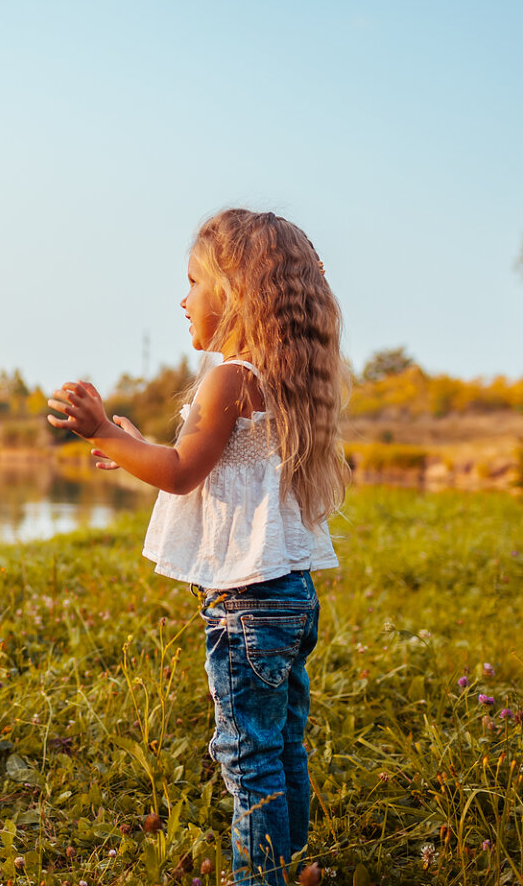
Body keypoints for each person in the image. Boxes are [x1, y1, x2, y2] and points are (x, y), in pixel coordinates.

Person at [47, 208, 348, 886]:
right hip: (292, 597)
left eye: (192, 282)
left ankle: (261, 878)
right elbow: (197, 463)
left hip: (246, 607)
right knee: (282, 742)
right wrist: (128, 447)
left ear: (235, 292)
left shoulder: (228, 378)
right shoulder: (285, 378)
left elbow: (182, 473)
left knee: (248, 756)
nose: (182, 300)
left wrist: (104, 433)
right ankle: (292, 866)